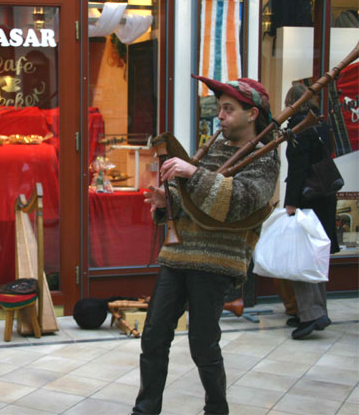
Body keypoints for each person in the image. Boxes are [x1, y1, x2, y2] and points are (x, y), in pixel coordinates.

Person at [133, 76, 279, 415]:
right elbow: (199, 205)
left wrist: (192, 175)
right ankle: (144, 411)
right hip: (178, 254)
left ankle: (217, 409)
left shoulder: (265, 157)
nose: (221, 117)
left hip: (217, 259)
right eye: (220, 109)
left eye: (228, 110)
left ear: (252, 113)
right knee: (153, 337)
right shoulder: (213, 148)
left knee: (202, 343)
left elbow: (242, 203)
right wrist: (165, 205)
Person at [283, 83, 340, 339]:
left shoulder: (299, 128)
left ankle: (311, 314)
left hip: (306, 201)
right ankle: (317, 310)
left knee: (301, 258)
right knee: (315, 257)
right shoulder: (322, 124)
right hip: (324, 198)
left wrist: (290, 203)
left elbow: (297, 170)